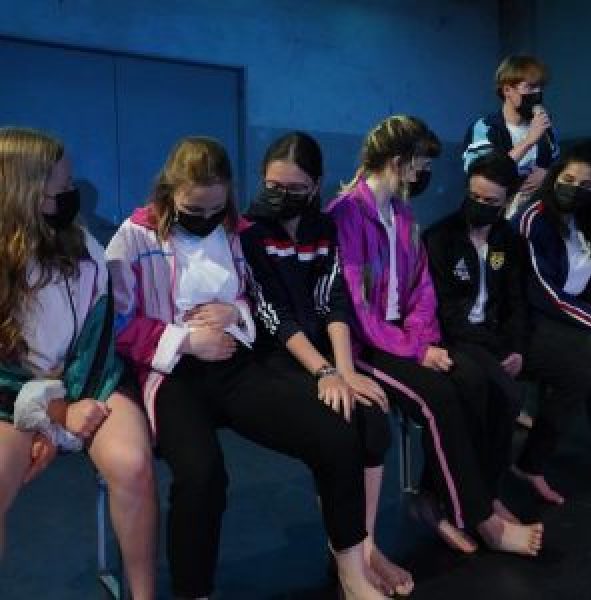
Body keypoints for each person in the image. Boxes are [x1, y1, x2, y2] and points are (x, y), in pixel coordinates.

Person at [106, 135, 394, 599]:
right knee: (202, 475)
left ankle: (352, 572)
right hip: (174, 376)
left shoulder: (236, 230)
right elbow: (118, 323)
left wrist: (233, 313)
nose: (205, 219)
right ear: (170, 192)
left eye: (215, 209)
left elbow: (252, 299)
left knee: (337, 429)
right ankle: (193, 593)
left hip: (236, 364)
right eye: (192, 210)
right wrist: (186, 340)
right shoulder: (133, 237)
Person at [328, 115, 543, 557]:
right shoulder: (346, 213)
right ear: (398, 161)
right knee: (439, 399)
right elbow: (355, 307)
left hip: (406, 339)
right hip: (366, 344)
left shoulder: (403, 213)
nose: (424, 174)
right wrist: (416, 350)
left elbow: (422, 289)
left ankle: (451, 501)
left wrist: (424, 342)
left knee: (474, 382)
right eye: (422, 165)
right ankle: (481, 519)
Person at [240, 131, 413, 596]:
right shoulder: (250, 233)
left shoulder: (324, 229)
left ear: (315, 186)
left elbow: (333, 303)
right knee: (338, 428)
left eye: (295, 188)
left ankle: (367, 548)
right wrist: (325, 373)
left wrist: (346, 370)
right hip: (276, 358)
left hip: (324, 355)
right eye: (273, 185)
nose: (281, 196)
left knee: (374, 422)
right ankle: (347, 561)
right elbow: (273, 315)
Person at [0, 127, 156, 599]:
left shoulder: (83, 246)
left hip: (88, 381)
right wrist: (51, 413)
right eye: (62, 188)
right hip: (12, 397)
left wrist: (66, 411)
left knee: (132, 464)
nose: (72, 195)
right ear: (25, 192)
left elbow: (98, 340)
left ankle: (144, 594)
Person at [424, 151, 526, 517]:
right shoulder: (439, 237)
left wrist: (516, 349)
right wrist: (497, 349)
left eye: (490, 201)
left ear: (507, 202)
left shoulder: (511, 241)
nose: (480, 205)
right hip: (454, 338)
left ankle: (487, 492)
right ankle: (463, 497)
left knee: (506, 397)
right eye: (474, 196)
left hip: (492, 337)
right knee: (495, 394)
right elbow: (446, 313)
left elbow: (516, 302)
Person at [512, 141, 591, 502]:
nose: (575, 189)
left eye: (586, 185)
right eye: (569, 179)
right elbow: (542, 292)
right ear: (555, 176)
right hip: (531, 319)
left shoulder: (588, 221)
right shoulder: (533, 218)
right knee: (588, 362)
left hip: (571, 317)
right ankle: (531, 463)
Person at [463, 55, 559, 218]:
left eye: (540, 87)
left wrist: (548, 175)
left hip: (536, 216)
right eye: (530, 87)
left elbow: (557, 168)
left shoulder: (545, 128)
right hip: (494, 217)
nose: (537, 93)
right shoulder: (485, 128)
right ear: (507, 90)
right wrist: (529, 141)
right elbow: (485, 174)